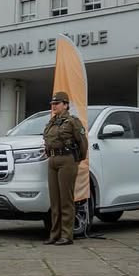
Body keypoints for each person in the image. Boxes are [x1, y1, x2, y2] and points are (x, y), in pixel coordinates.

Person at [42, 91, 88, 246]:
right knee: (54, 201)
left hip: (67, 160)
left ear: (66, 104)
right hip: (52, 160)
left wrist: (76, 160)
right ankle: (54, 235)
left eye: (57, 103)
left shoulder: (73, 121)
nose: (54, 106)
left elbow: (83, 143)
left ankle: (66, 236)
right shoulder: (51, 122)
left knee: (66, 200)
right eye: (53, 104)